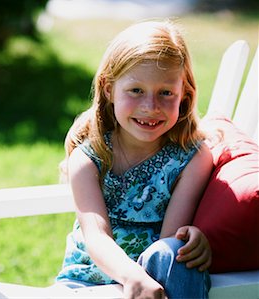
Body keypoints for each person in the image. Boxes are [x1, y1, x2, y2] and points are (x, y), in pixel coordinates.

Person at [55, 20, 213, 299]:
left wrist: (193, 240)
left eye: (166, 93)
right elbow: (96, 237)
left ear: (184, 96)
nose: (150, 107)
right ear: (108, 89)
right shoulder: (89, 157)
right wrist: (132, 278)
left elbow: (169, 241)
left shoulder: (191, 158)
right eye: (136, 90)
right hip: (86, 284)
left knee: (174, 252)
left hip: (158, 284)